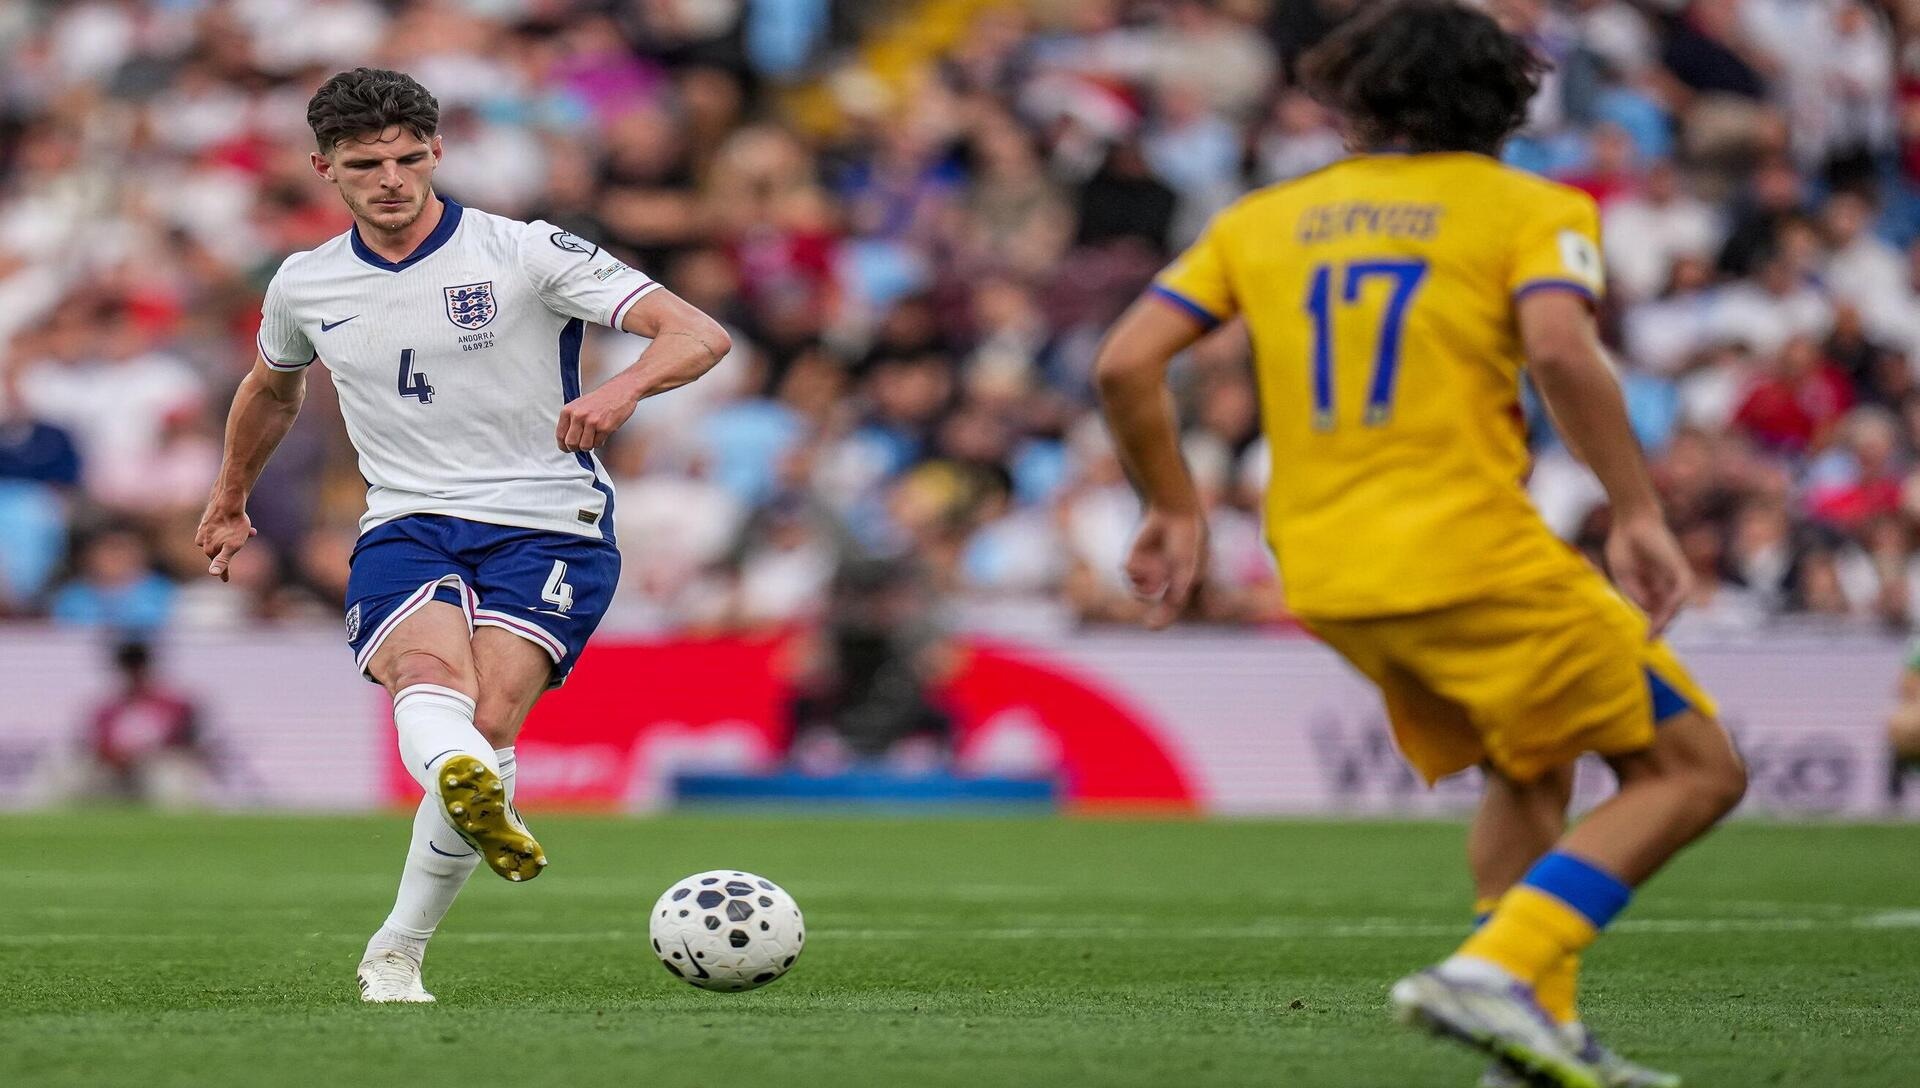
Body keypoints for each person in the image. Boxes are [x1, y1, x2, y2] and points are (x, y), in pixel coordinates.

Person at [1090, 4, 1746, 1087]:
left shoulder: (1266, 218)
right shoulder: (1532, 207)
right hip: (1471, 551)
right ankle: (1499, 967)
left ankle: (1529, 1046)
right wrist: (1635, 509)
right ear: (1509, 101)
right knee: (1695, 768)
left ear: (1353, 100)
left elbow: (1125, 361)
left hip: (1329, 570)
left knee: (1528, 767)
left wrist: (1173, 503)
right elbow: (1559, 348)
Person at [194, 69, 730, 1003]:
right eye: (367, 164)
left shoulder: (523, 251)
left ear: (438, 152)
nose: (391, 179)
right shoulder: (305, 282)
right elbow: (271, 389)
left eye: (409, 158)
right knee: (427, 682)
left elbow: (695, 333)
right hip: (408, 515)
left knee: (484, 727)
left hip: (547, 516)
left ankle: (399, 940)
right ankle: (444, 847)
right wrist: (230, 493)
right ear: (326, 167)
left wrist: (620, 388)